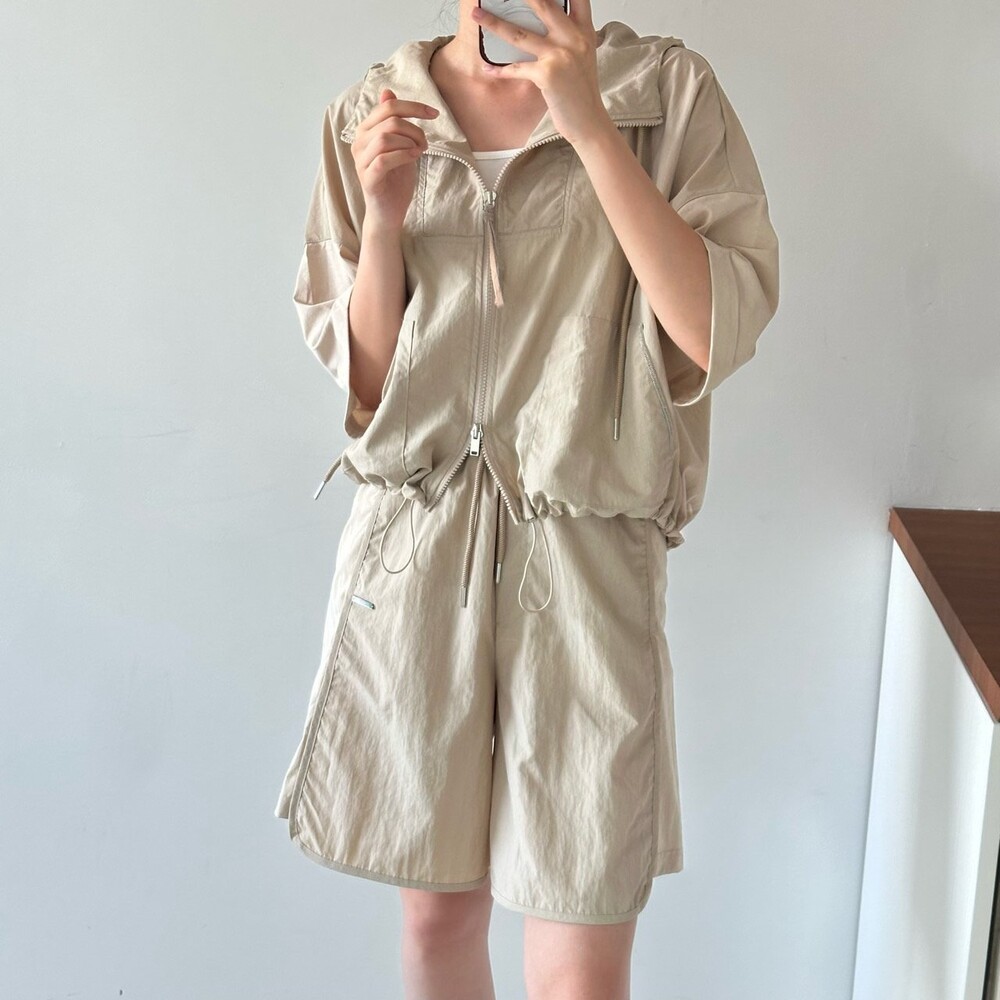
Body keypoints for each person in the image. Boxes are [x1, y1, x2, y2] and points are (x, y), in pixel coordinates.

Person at [275, 0, 780, 996]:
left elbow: (713, 330)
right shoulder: (374, 109)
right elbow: (367, 385)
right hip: (414, 554)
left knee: (579, 955)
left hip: (585, 558)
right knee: (434, 919)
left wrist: (589, 124)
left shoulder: (666, 94)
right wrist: (384, 220)